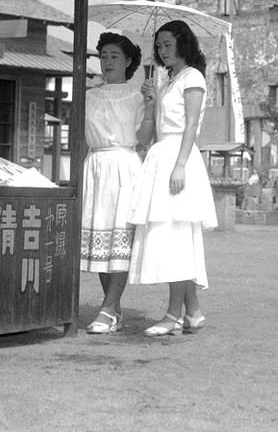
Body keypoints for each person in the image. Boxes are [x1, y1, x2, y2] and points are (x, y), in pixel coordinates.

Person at [128, 20, 217, 336]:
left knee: (175, 234)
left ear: (182, 44)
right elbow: (148, 134)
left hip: (180, 156)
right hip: (160, 155)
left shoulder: (192, 77)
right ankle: (192, 312)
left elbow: (191, 125)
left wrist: (179, 166)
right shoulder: (165, 80)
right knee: (169, 233)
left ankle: (173, 314)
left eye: (167, 44)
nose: (162, 51)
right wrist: (151, 102)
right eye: (159, 46)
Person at [79, 32, 149, 334]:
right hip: (95, 167)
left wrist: (151, 106)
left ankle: (107, 308)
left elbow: (144, 140)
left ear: (128, 61)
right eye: (103, 56)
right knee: (99, 241)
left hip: (124, 167)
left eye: (114, 56)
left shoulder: (137, 96)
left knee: (118, 238)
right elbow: (82, 139)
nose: (107, 62)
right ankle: (114, 308)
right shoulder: (89, 95)